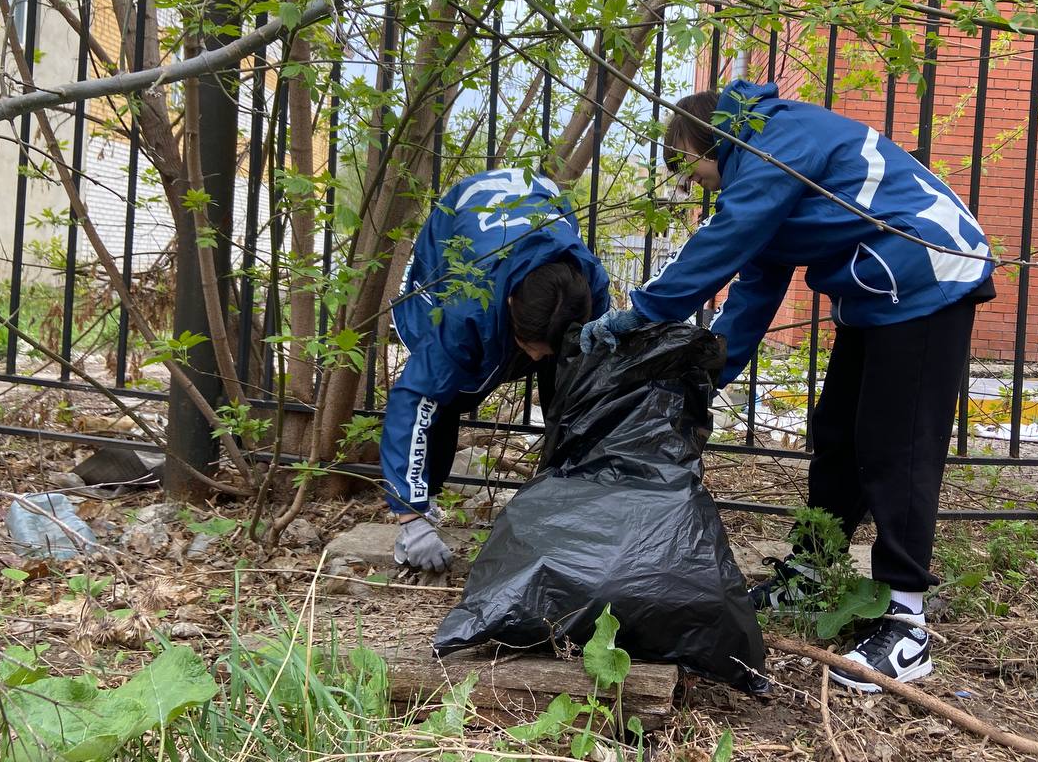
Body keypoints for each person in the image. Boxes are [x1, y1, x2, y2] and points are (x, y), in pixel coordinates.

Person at [581, 80, 996, 692]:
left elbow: (720, 243)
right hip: (881, 292)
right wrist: (702, 381)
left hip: (927, 276)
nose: (698, 189)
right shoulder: (765, 174)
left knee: (896, 450)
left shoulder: (778, 141)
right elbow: (751, 297)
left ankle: (907, 624)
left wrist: (640, 313)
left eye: (692, 171)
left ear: (707, 140)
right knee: (838, 437)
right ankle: (812, 567)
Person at [385, 168, 611, 572]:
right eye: (530, 346)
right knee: (445, 392)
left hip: (537, 219)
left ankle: (565, 494)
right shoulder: (461, 308)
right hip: (457, 244)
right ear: (510, 309)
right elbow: (413, 400)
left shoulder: (589, 281)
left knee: (572, 375)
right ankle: (425, 508)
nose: (538, 359)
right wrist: (410, 515)